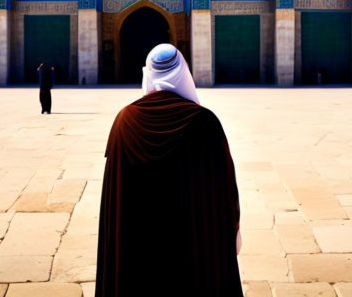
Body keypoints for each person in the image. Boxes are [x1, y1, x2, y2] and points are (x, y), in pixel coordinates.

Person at [95, 44, 242, 297]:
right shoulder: (205, 122)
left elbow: (114, 200)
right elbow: (226, 189)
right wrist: (233, 230)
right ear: (184, 72)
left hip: (137, 250)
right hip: (192, 251)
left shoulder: (125, 120)